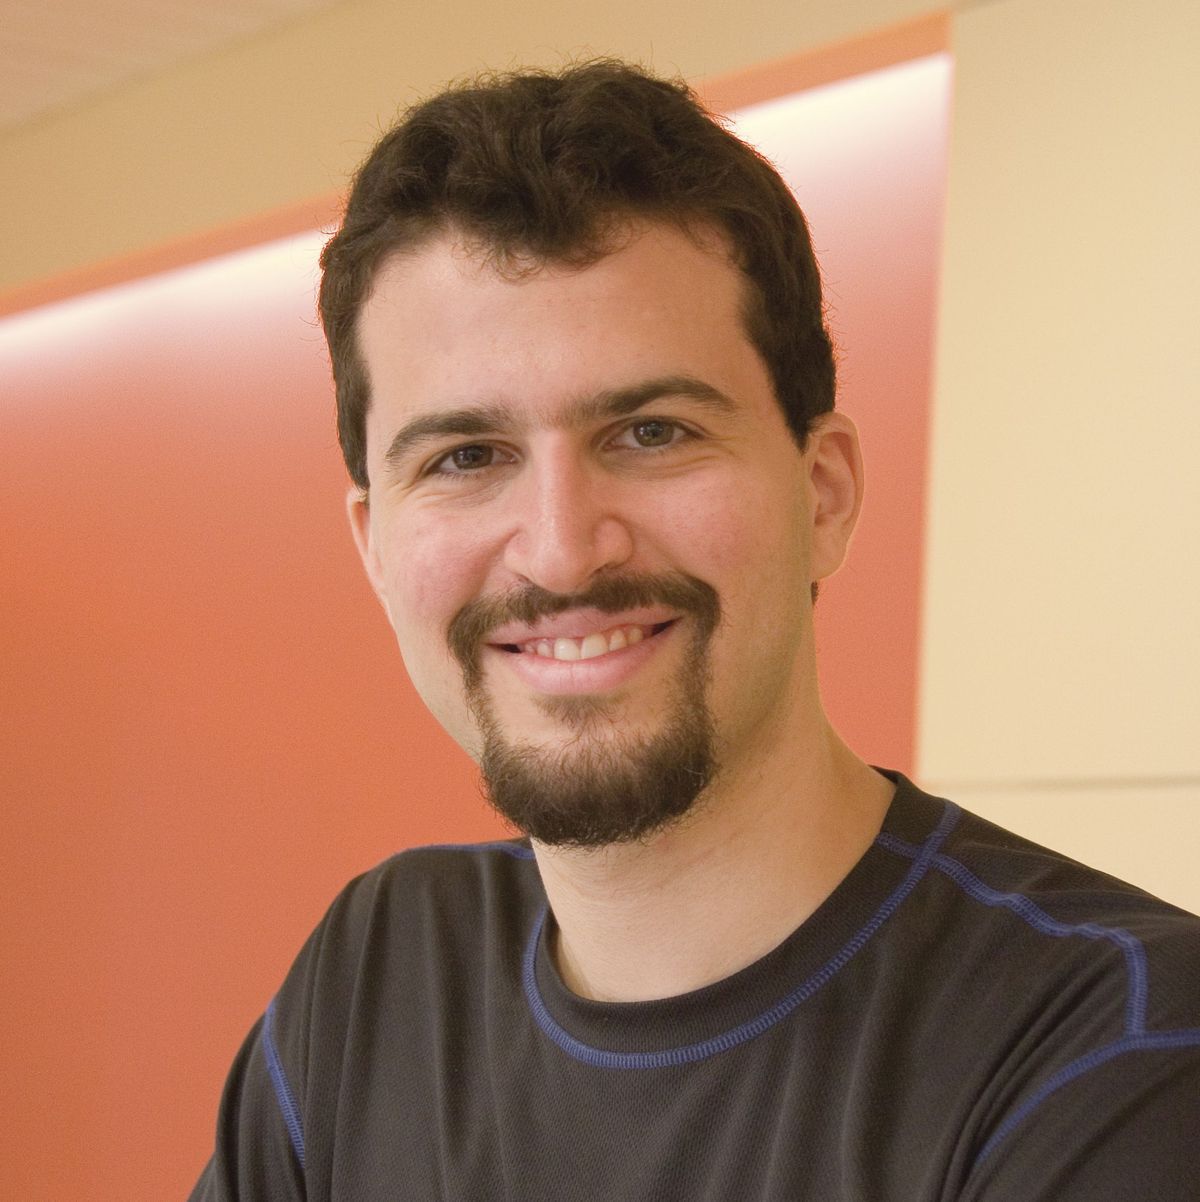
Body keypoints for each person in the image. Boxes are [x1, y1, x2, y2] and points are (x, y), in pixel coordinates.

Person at [190, 61, 1200, 1200]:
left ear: (821, 493)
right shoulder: (377, 974)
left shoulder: (1122, 1044)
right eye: (465, 458)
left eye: (653, 432)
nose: (563, 548)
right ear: (374, 544)